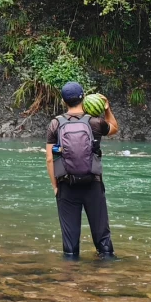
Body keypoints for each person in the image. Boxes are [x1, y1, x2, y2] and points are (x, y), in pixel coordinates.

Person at [46, 81, 120, 260]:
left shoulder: (55, 124)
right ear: (83, 98)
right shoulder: (95, 122)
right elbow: (114, 129)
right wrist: (107, 109)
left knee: (70, 246)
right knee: (102, 238)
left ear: (64, 101)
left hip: (66, 186)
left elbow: (50, 158)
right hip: (93, 184)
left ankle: (70, 279)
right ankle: (105, 277)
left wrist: (56, 187)